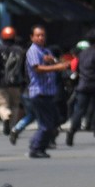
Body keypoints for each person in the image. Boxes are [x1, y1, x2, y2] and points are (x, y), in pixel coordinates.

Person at [24, 25, 70, 158]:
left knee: (54, 121)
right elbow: (37, 69)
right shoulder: (33, 51)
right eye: (38, 35)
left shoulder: (45, 51)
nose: (40, 38)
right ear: (32, 37)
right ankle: (36, 148)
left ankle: (36, 144)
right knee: (46, 124)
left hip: (48, 92)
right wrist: (57, 67)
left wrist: (55, 62)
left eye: (43, 35)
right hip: (39, 91)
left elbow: (56, 62)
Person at [66, 29, 95, 147]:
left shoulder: (82, 53)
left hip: (83, 84)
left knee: (80, 110)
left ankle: (72, 131)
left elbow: (77, 69)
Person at [0, 26, 26, 136]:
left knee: (2, 105)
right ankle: (12, 126)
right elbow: (24, 68)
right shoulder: (20, 50)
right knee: (15, 105)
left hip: (2, 82)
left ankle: (6, 116)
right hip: (16, 83)